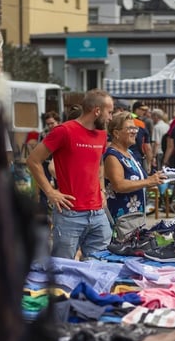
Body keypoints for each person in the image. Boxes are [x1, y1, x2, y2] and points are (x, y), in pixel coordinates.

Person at [26, 88, 114, 259]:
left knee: (100, 267)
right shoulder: (63, 131)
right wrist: (50, 192)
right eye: (109, 112)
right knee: (63, 269)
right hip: (69, 214)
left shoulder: (101, 135)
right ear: (97, 111)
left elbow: (99, 164)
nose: (110, 117)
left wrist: (102, 189)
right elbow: (33, 160)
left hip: (97, 213)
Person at [103, 111, 165, 236]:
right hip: (123, 218)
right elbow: (118, 185)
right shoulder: (112, 156)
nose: (135, 131)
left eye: (135, 128)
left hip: (135, 216)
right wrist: (148, 181)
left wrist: (155, 178)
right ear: (116, 133)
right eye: (130, 128)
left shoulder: (129, 153)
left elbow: (139, 180)